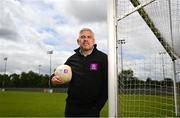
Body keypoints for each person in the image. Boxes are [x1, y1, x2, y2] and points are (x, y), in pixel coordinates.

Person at [51, 28, 108, 117]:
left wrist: (97, 107)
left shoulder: (103, 58)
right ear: (78, 41)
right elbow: (58, 72)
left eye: (89, 37)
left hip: (91, 110)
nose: (86, 39)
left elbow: (107, 85)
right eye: (83, 37)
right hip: (71, 108)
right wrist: (53, 79)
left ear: (93, 41)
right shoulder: (72, 59)